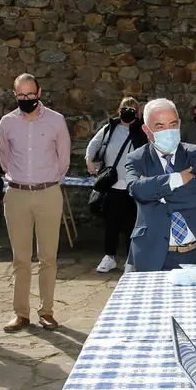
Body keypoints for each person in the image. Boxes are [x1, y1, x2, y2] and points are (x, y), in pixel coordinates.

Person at [0, 74, 70, 333]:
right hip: (16, 195)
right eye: (21, 96)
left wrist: (46, 182)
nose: (26, 100)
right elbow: (4, 159)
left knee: (48, 257)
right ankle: (20, 313)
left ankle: (47, 311)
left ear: (39, 92)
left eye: (30, 95)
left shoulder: (56, 121)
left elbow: (64, 160)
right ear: (15, 95)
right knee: (20, 258)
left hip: (48, 193)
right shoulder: (6, 123)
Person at [125, 98, 196, 271]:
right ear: (146, 130)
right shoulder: (137, 158)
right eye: (160, 126)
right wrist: (175, 180)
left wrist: (156, 195)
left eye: (173, 124)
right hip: (151, 255)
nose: (168, 131)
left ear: (180, 124)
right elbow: (136, 190)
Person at [86, 97, 147, 273]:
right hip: (112, 185)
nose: (127, 111)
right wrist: (89, 160)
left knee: (131, 224)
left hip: (132, 186)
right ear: (119, 110)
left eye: (131, 109)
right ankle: (109, 257)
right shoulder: (110, 129)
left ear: (137, 113)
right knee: (111, 223)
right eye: (124, 108)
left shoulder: (142, 132)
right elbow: (94, 143)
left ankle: (131, 259)